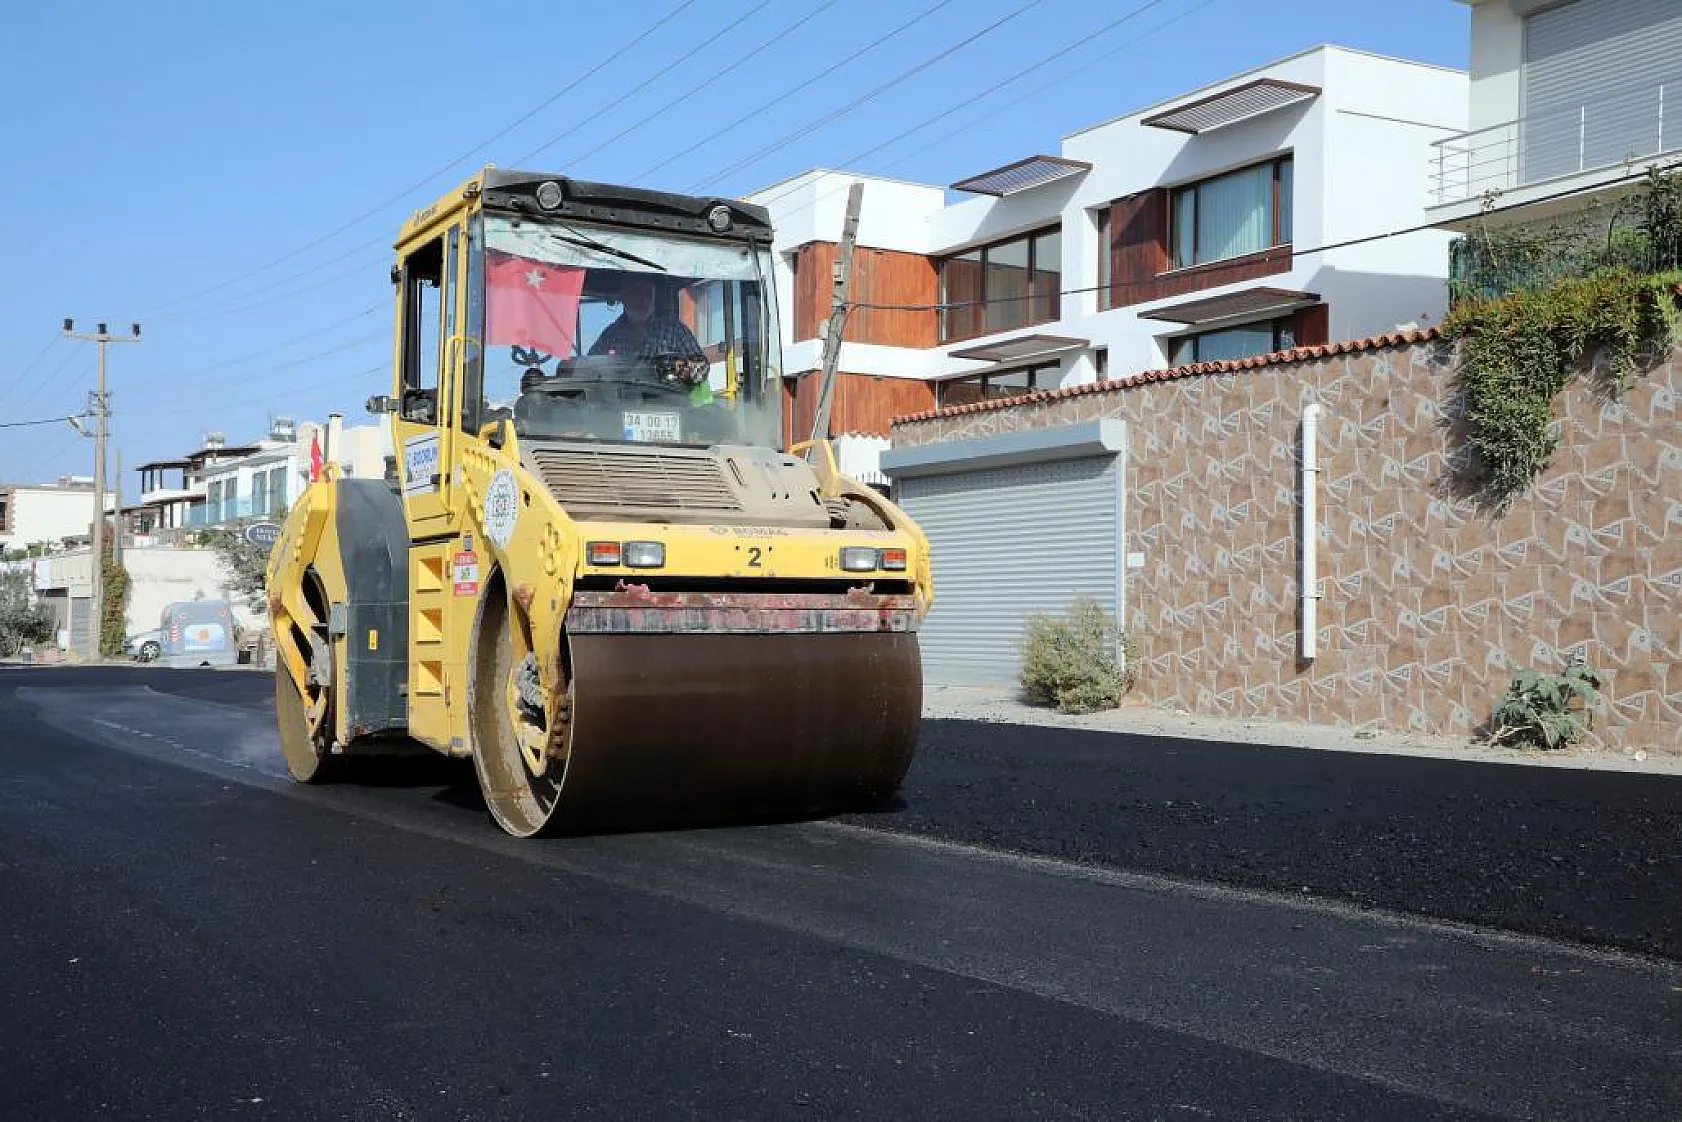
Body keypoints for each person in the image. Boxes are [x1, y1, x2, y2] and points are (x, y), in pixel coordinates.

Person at [588, 272, 708, 383]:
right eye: (636, 293)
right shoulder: (610, 337)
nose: (644, 299)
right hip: (619, 404)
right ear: (624, 297)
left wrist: (681, 369)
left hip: (668, 403)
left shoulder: (674, 330)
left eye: (648, 293)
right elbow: (588, 370)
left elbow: (702, 367)